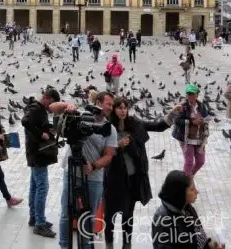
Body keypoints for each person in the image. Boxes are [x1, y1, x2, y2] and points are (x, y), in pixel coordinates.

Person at [103, 97, 181, 249]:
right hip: (113, 178)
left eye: (125, 107)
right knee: (110, 213)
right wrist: (117, 145)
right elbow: (100, 149)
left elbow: (158, 126)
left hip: (132, 178)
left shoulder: (135, 123)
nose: (123, 110)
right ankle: (109, 243)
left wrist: (173, 113)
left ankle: (127, 243)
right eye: (119, 107)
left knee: (128, 213)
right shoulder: (107, 126)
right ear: (114, 109)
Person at [58, 91, 118, 249]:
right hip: (71, 173)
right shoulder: (79, 116)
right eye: (109, 104)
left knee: (89, 216)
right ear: (98, 102)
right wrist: (67, 106)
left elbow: (109, 155)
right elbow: (52, 107)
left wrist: (94, 165)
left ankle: (86, 246)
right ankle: (64, 246)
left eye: (112, 105)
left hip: (94, 177)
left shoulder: (108, 128)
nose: (111, 108)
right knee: (66, 212)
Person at [21, 88, 76, 238]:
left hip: (35, 152)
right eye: (51, 103)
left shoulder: (37, 108)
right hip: (37, 153)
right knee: (42, 187)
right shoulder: (36, 108)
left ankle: (34, 217)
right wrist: (42, 134)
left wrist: (48, 130)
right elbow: (24, 121)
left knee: (35, 186)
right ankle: (39, 223)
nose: (51, 107)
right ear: (46, 98)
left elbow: (35, 123)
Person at [151, 170, 224, 249]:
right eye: (192, 189)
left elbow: (197, 235)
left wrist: (209, 246)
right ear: (180, 193)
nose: (197, 191)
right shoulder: (163, 221)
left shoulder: (187, 207)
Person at [172, 84, 209, 177]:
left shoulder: (202, 106)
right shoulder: (182, 106)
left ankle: (188, 177)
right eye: (188, 94)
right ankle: (186, 183)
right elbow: (176, 120)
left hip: (199, 138)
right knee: (189, 162)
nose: (190, 96)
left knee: (201, 161)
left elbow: (206, 117)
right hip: (186, 138)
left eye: (192, 94)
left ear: (197, 95)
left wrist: (204, 120)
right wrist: (192, 122)